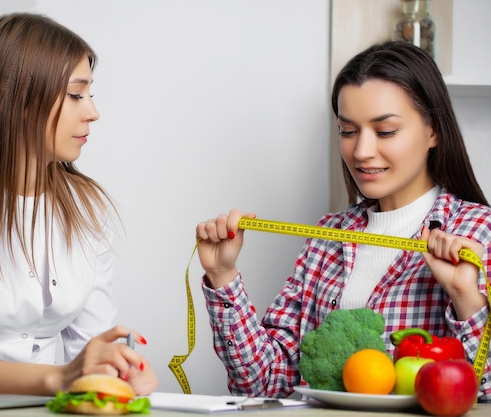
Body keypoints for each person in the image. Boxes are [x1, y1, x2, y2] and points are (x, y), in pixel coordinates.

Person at [195, 41, 491, 401]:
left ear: (434, 131)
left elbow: (483, 395)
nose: (362, 151)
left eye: (385, 131)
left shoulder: (478, 234)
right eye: (348, 131)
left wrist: (465, 297)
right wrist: (223, 277)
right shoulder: (327, 235)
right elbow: (265, 384)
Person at [0, 13, 157, 396]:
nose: (92, 111)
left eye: (90, 94)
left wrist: (120, 371)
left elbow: (92, 344)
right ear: (14, 96)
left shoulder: (85, 207)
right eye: (75, 94)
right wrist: (58, 378)